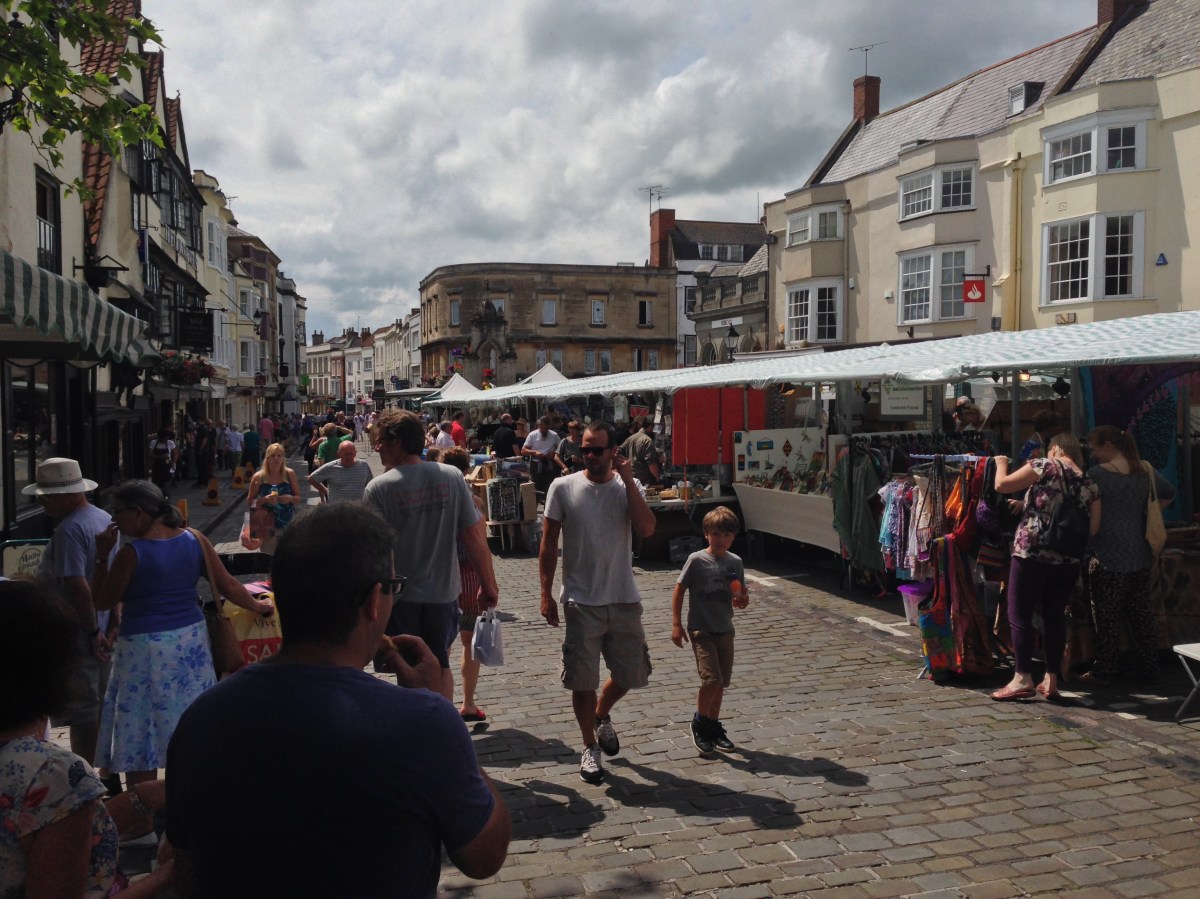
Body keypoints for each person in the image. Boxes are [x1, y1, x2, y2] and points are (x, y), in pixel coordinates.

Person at [165, 503, 510, 897]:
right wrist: (439, 711)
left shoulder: (203, 718)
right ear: (373, 603)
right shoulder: (422, 722)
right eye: (392, 585)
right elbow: (484, 856)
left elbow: (185, 866)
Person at [91, 480, 272, 792]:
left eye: (117, 513)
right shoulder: (195, 539)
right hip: (191, 644)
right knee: (189, 720)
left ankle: (142, 812)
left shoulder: (131, 554)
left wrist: (100, 556)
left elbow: (103, 601)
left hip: (144, 650)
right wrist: (259, 606)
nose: (114, 521)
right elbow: (228, 584)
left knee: (142, 728)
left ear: (138, 513)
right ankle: (189, 796)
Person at [0, 581, 176, 898]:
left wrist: (139, 798)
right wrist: (168, 876)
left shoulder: (53, 783)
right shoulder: (55, 776)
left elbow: (35, 831)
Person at [539, 420, 656, 784]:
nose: (588, 455)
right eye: (584, 449)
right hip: (581, 599)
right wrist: (546, 593)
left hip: (622, 596)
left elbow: (647, 528)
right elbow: (547, 545)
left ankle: (601, 714)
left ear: (612, 452)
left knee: (631, 675)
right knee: (582, 680)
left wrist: (627, 477)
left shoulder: (629, 487)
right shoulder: (563, 487)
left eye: (596, 449)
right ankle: (589, 746)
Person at [366, 409, 500, 701]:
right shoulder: (451, 477)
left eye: (380, 441)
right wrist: (488, 584)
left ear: (398, 442)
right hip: (443, 595)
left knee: (410, 671)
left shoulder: (378, 488)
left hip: (402, 600)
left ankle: (423, 732)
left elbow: (376, 554)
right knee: (439, 664)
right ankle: (442, 728)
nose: (376, 448)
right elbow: (473, 535)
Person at [991, 433, 1099, 701]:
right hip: (1067, 558)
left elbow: (1002, 485)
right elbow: (1093, 528)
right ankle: (1051, 679)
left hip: (1032, 551)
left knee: (1019, 614)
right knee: (1054, 617)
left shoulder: (1043, 465)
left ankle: (1022, 677)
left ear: (1055, 449)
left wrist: (1000, 463)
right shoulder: (1089, 482)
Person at [24, 458, 116, 769]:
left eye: (47, 496)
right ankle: (106, 772)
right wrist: (112, 622)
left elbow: (78, 586)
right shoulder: (102, 518)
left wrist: (92, 632)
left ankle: (85, 776)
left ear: (66, 495)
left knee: (84, 712)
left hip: (82, 633)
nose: (43, 503)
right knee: (100, 705)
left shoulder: (70, 530)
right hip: (101, 629)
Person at [1082, 426, 1176, 686]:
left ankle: (1106, 669)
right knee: (1141, 615)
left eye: (1095, 448)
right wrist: (1146, 510)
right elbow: (1168, 494)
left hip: (1107, 553)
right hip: (1140, 551)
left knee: (1107, 616)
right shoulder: (1143, 470)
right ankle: (1149, 667)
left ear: (1109, 445)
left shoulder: (1097, 475)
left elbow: (1085, 510)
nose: (1092, 454)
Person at [671, 506, 749, 754]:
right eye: (716, 534)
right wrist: (677, 623)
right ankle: (700, 722)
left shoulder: (735, 562)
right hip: (701, 629)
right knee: (711, 679)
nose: (721, 540)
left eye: (726, 535)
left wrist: (741, 599)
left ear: (733, 537)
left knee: (721, 683)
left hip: (725, 628)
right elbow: (679, 589)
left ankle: (714, 726)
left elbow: (740, 593)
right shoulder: (697, 560)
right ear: (706, 534)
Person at [443, 446, 489, 722]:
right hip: (470, 575)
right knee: (469, 641)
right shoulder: (473, 500)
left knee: (442, 643)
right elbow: (480, 543)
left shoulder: (440, 496)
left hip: (444, 576)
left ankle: (444, 703)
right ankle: (468, 703)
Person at [247, 444, 302, 556]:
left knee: (288, 557)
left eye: (279, 455)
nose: (276, 458)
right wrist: (263, 500)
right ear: (267, 458)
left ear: (283, 458)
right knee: (269, 559)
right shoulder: (259, 477)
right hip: (265, 524)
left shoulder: (289, 474)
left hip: (288, 522)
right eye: (272, 456)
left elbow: (298, 499)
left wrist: (290, 498)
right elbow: (250, 503)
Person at [308, 438, 374, 505]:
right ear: (339, 454)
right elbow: (312, 479)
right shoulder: (331, 467)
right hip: (337, 510)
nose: (348, 457)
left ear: (355, 453)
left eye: (351, 454)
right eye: (346, 454)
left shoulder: (363, 465)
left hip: (359, 508)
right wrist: (325, 491)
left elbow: (371, 485)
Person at [522, 416, 560, 497]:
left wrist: (554, 453)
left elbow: (561, 449)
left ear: (549, 426)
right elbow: (523, 450)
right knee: (536, 487)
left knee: (549, 487)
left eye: (546, 428)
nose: (543, 430)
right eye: (542, 427)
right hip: (536, 464)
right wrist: (534, 452)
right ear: (538, 426)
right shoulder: (532, 435)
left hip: (550, 464)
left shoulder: (554, 435)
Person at [620, 416, 662, 486]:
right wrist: (658, 478)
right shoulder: (647, 440)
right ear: (651, 427)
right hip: (644, 481)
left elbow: (618, 453)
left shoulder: (630, 438)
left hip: (631, 479)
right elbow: (651, 463)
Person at [148, 426, 178, 500]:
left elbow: (175, 453)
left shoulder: (170, 443)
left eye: (167, 438)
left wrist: (174, 463)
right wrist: (161, 456)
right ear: (160, 437)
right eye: (164, 438)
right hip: (157, 468)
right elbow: (150, 455)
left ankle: (167, 502)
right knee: (156, 488)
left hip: (168, 468)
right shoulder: (154, 443)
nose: (165, 440)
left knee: (166, 489)